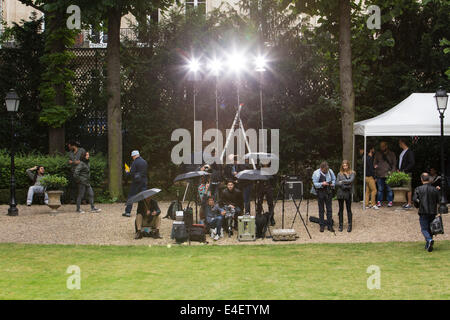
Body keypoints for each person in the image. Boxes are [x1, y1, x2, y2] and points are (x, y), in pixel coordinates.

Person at [413, 173, 440, 252]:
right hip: (432, 211)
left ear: (421, 179)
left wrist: (418, 205)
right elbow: (438, 200)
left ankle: (429, 240)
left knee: (424, 229)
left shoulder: (418, 189)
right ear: (429, 179)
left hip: (423, 211)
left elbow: (415, 199)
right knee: (430, 228)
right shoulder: (434, 189)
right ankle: (428, 244)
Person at [312, 161, 336, 232]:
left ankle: (330, 225)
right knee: (321, 209)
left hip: (329, 192)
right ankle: (321, 225)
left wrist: (332, 184)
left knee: (329, 209)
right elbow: (315, 184)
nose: (326, 171)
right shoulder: (316, 173)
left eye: (327, 170)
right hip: (320, 192)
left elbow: (334, 179)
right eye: (325, 170)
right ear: (321, 168)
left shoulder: (330, 171)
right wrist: (322, 183)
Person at [123, 150, 148, 217]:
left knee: (131, 196)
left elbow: (132, 173)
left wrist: (127, 171)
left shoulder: (135, 162)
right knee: (143, 197)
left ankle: (127, 212)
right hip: (144, 181)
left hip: (136, 182)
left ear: (134, 156)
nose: (132, 158)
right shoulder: (144, 161)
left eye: (132, 156)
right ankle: (143, 212)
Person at [374, 141, 396, 207]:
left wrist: (392, 172)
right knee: (380, 189)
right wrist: (376, 169)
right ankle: (379, 202)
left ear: (386, 146)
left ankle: (390, 201)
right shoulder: (378, 154)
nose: (382, 147)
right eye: (381, 146)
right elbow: (374, 163)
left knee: (389, 189)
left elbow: (394, 164)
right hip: (379, 174)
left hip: (388, 174)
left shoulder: (391, 154)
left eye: (383, 146)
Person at [336, 160, 355, 232]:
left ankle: (350, 225)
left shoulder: (352, 173)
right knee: (340, 210)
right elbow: (337, 183)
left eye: (346, 165)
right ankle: (340, 225)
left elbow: (351, 180)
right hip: (341, 193)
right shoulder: (339, 173)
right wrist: (344, 184)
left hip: (348, 193)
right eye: (343, 165)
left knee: (348, 209)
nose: (345, 167)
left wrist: (342, 182)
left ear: (348, 165)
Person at [398, 138, 415, 209]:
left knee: (408, 188)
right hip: (401, 172)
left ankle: (409, 203)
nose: (399, 144)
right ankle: (407, 202)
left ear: (403, 142)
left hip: (406, 172)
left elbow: (412, 163)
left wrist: (404, 170)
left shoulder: (409, 152)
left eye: (399, 142)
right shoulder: (403, 151)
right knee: (405, 187)